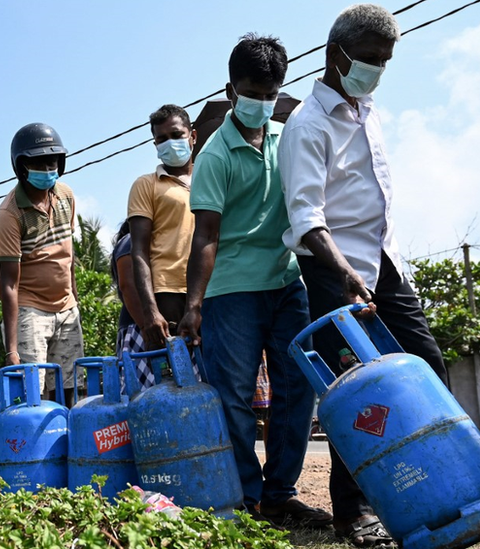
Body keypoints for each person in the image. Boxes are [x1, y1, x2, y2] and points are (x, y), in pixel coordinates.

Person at [277, 5, 445, 547]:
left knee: (427, 364)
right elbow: (307, 218)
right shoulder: (307, 125)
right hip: (333, 270)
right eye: (369, 59)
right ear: (336, 55)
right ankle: (353, 512)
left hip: (383, 262)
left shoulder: (367, 109)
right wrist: (344, 269)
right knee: (361, 384)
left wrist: (373, 264)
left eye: (384, 61)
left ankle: (427, 484)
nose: (376, 69)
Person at [179, 34, 328, 530]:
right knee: (234, 396)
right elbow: (206, 234)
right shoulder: (214, 156)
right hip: (231, 290)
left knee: (296, 389)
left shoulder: (289, 137)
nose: (262, 103)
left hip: (287, 281)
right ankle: (245, 496)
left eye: (271, 93)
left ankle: (279, 494)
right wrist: (194, 304)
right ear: (230, 90)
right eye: (252, 93)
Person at [0, 122, 84, 404]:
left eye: (52, 161)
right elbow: (8, 284)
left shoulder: (66, 196)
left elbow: (67, 255)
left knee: (70, 386)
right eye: (39, 162)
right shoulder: (10, 214)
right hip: (31, 309)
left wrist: (75, 300)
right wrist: (11, 349)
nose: (47, 169)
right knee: (32, 391)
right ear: (21, 166)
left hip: (66, 307)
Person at [128, 105, 196, 384]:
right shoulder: (146, 185)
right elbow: (139, 252)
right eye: (161, 139)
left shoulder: (212, 177)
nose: (170, 143)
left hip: (211, 291)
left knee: (214, 379)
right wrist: (150, 310)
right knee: (172, 382)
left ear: (193, 136)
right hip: (167, 292)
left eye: (176, 135)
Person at [110, 220, 148, 379]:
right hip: (139, 327)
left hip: (141, 326)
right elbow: (128, 286)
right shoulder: (129, 242)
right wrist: (146, 326)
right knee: (141, 391)